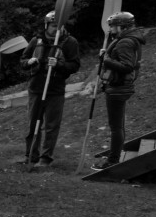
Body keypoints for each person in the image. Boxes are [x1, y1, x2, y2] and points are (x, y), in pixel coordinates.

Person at [18, 10, 81, 167]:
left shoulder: (70, 42)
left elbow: (74, 65)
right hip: (36, 88)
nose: (57, 29)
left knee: (51, 126)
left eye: (60, 26)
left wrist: (58, 64)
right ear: (46, 25)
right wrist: (29, 62)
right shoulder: (36, 40)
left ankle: (46, 158)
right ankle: (31, 156)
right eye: (53, 25)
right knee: (33, 125)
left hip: (55, 90)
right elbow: (23, 60)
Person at [93, 11, 146, 170]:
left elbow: (127, 66)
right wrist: (107, 55)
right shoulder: (129, 39)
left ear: (122, 26)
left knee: (116, 127)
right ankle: (114, 156)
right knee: (118, 126)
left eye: (113, 26)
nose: (110, 29)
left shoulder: (125, 42)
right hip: (121, 86)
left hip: (118, 88)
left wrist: (106, 60)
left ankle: (112, 161)